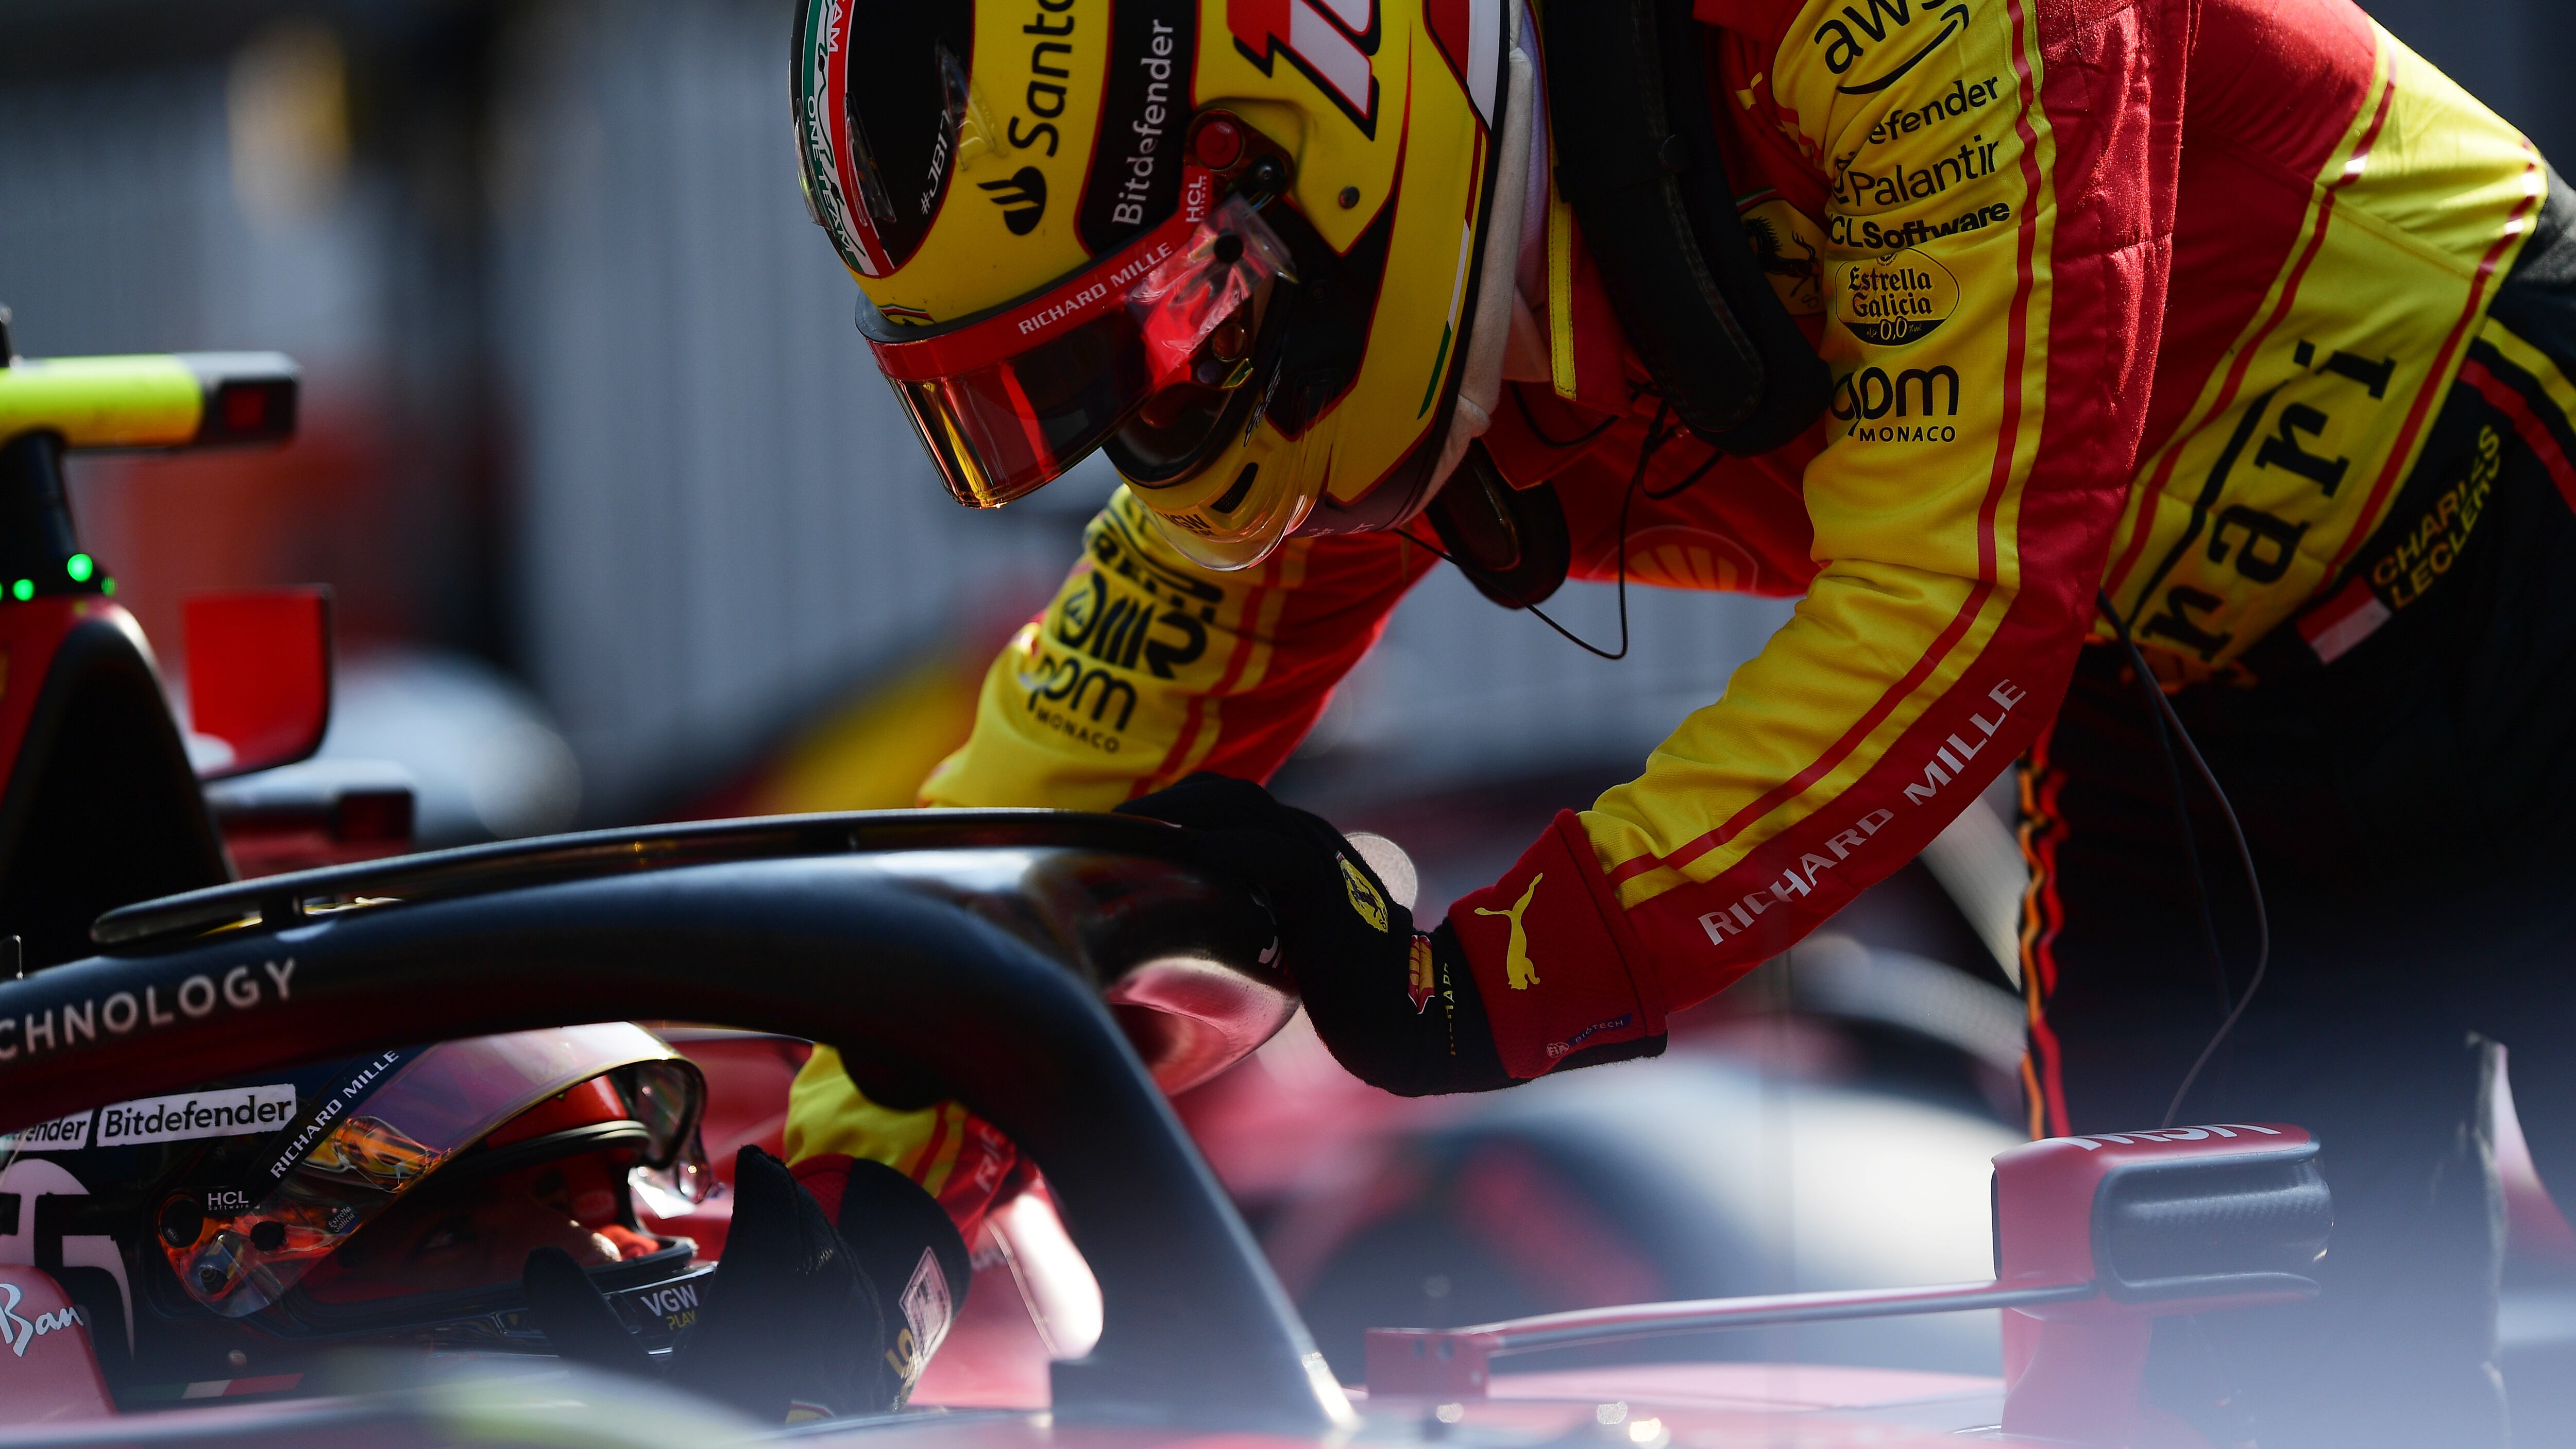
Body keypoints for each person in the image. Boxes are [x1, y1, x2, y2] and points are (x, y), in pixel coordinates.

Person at [782, 0, 2576, 1441]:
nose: (1159, 442)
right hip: (2179, 729)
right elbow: (1069, 777)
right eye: (1074, 400)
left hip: (2516, 503)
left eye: (1163, 344)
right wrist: (861, 1219)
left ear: (1310, 118)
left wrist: (1479, 980)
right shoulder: (1366, 300)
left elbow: (1956, 603)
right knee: (2195, 1418)